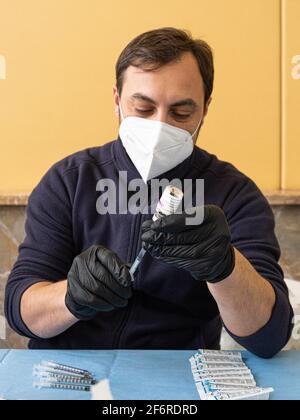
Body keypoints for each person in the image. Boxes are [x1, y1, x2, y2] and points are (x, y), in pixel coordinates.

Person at [5, 28, 293, 357]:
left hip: (177, 374)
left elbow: (269, 336)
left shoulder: (234, 194)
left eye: (181, 114)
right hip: (72, 369)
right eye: (143, 109)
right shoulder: (69, 181)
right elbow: (21, 310)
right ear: (116, 100)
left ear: (205, 109)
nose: (160, 127)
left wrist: (223, 265)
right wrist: (71, 296)